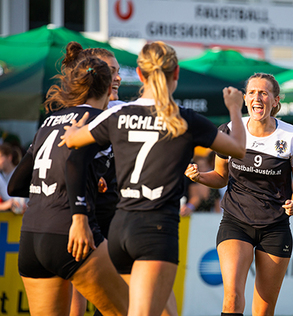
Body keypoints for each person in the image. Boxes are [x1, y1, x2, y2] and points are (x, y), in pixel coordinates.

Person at [59, 41, 246, 316]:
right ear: (176, 73)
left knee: (163, 311)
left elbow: (72, 141)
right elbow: (238, 149)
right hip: (155, 230)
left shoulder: (118, 114)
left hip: (120, 229)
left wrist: (74, 126)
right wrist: (234, 109)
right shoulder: (184, 119)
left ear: (140, 73)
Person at [7, 57, 129, 316]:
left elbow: (16, 184)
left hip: (32, 236)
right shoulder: (102, 119)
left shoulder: (49, 121)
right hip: (71, 233)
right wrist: (79, 214)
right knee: (132, 311)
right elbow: (74, 162)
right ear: (109, 89)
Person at [185, 73, 293, 316]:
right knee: (232, 298)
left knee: (263, 310)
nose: (257, 97)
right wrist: (199, 176)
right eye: (252, 92)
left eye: (264, 93)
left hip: (275, 227)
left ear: (276, 100)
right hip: (236, 221)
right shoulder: (230, 129)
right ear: (244, 99)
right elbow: (220, 176)